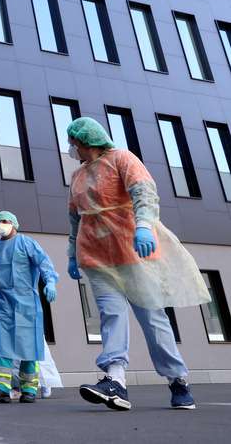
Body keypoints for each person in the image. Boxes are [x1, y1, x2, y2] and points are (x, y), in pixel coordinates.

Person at [66, 117, 211, 411]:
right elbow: (74, 217)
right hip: (95, 255)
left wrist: (144, 225)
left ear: (86, 141)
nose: (71, 148)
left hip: (132, 251)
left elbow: (144, 192)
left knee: (152, 319)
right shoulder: (78, 176)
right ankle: (115, 379)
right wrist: (71, 252)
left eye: (74, 142)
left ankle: (177, 380)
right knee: (111, 315)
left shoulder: (122, 158)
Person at [0, 211, 59, 404]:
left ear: (14, 224)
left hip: (26, 304)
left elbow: (44, 263)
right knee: (1, 347)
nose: (1, 224)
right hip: (1, 304)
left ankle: (29, 390)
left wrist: (50, 282)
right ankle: (1, 389)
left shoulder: (26, 243)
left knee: (28, 348)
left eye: (5, 221)